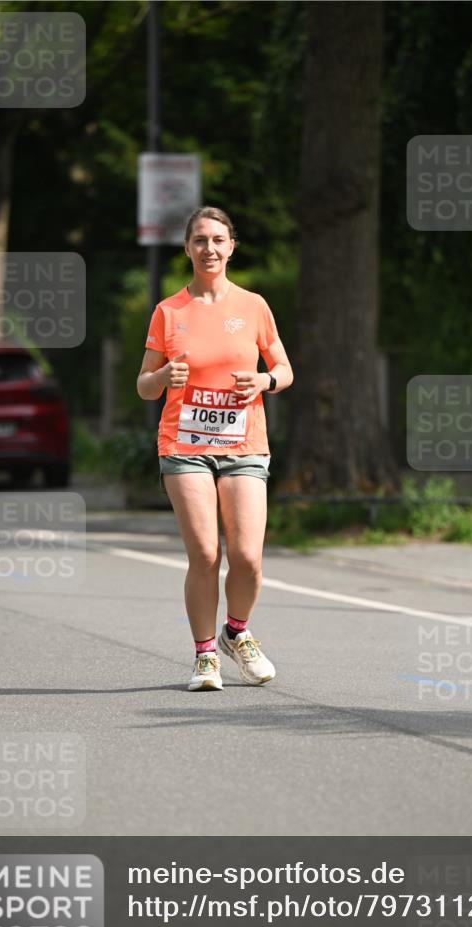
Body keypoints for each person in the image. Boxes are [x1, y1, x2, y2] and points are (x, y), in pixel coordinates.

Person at [137, 207, 294, 691]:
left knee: (247, 556)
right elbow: (144, 385)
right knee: (205, 552)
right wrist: (163, 377)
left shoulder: (253, 306)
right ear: (187, 249)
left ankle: (237, 633)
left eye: (218, 239)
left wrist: (265, 379)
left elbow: (285, 369)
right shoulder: (169, 311)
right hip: (183, 444)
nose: (209, 248)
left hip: (244, 443)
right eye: (200, 239)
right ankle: (206, 654)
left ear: (231, 248)